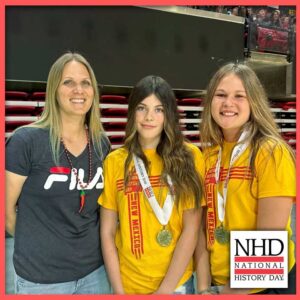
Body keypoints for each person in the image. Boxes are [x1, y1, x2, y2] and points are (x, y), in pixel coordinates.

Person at [5, 52, 111, 294]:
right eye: (68, 82)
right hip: (42, 280)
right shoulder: (26, 141)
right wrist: (35, 244)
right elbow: (5, 209)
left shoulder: (101, 143)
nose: (78, 90)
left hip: (95, 273)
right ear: (54, 89)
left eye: (85, 83)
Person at [195, 62, 296, 294]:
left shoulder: (270, 153)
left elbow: (269, 241)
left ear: (254, 102)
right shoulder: (209, 156)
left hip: (262, 286)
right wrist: (204, 287)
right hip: (218, 282)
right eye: (220, 95)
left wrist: (228, 293)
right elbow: (202, 227)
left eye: (239, 96)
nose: (228, 103)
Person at [98, 75, 205, 294]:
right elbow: (107, 232)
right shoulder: (115, 161)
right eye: (141, 108)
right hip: (127, 285)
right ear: (132, 113)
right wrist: (119, 291)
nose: (149, 117)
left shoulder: (190, 156)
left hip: (176, 285)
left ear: (169, 115)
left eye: (159, 109)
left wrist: (164, 292)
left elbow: (191, 230)